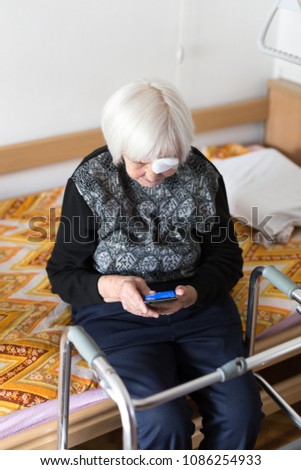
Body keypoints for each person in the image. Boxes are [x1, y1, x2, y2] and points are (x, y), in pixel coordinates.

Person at [46, 78, 263, 450]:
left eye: (165, 163)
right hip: (117, 314)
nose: (152, 174)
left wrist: (193, 293)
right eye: (139, 162)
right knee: (164, 421)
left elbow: (226, 258)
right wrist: (114, 287)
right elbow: (64, 274)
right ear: (119, 148)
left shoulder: (202, 175)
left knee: (242, 412)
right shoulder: (91, 181)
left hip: (199, 308)